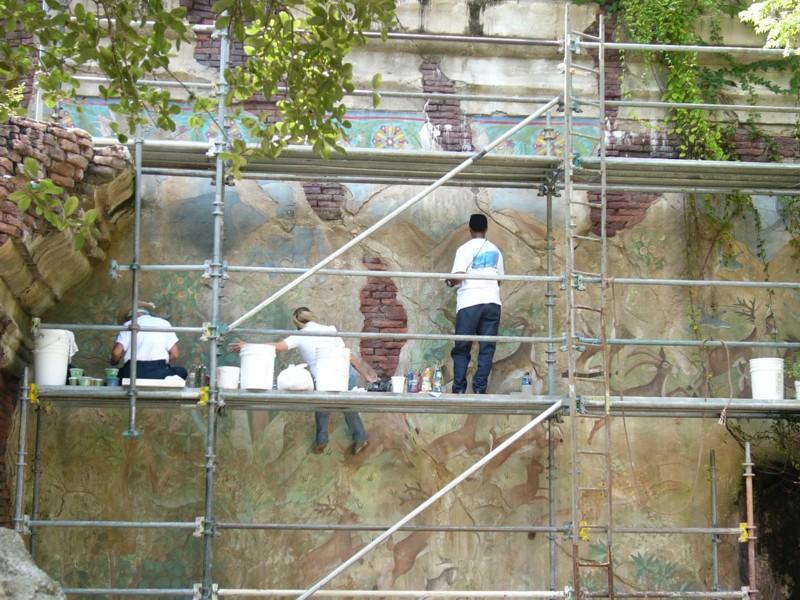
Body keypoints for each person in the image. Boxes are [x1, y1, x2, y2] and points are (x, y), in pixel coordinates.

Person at [232, 307, 376, 455]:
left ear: (296, 323)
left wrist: (247, 345)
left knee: (322, 404)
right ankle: (360, 437)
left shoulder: (299, 335)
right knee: (348, 405)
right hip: (345, 372)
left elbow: (278, 347)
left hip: (324, 375)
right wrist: (365, 375)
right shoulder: (330, 329)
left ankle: (321, 440)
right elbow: (348, 355)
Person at [445, 213, 504, 394]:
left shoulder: (464, 249)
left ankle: (459, 389)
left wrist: (449, 281)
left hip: (470, 303)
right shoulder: (495, 250)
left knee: (462, 347)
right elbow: (499, 280)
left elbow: (459, 276)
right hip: (492, 302)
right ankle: (479, 388)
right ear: (486, 229)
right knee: (487, 347)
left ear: (470, 229)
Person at [110, 301, 187, 380]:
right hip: (159, 373)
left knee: (115, 375)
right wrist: (161, 363)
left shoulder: (129, 324)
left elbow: (116, 353)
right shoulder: (164, 323)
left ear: (130, 316)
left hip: (133, 373)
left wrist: (114, 362)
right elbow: (175, 354)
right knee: (181, 371)